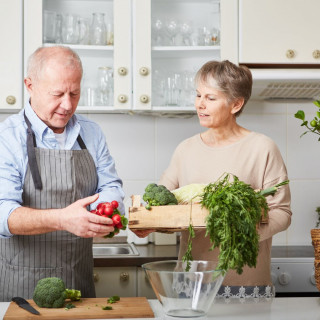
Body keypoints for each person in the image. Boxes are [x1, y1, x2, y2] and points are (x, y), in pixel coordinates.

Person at [140, 60, 292, 297]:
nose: (200, 104)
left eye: (210, 98)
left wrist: (241, 235)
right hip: (192, 282)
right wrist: (149, 224)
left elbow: (281, 212)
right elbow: (162, 204)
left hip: (247, 282)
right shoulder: (185, 149)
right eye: (198, 95)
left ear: (236, 104)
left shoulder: (262, 148)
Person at [0, 46, 125, 301]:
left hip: (80, 284)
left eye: (75, 93)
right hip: (24, 290)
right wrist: (62, 219)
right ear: (30, 85)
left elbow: (111, 186)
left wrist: (105, 213)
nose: (67, 105)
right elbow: (3, 214)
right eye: (57, 94)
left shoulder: (91, 132)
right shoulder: (7, 137)